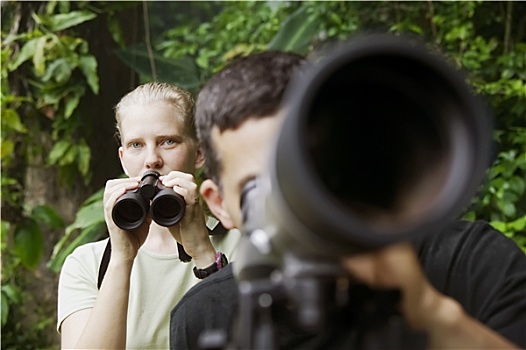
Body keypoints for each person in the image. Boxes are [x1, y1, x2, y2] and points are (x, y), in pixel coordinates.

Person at [169, 51, 526, 349]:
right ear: (220, 203)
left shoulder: (469, 262)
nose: (299, 206)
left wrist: (429, 312)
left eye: (310, 172)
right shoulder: (204, 316)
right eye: (264, 188)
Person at [57, 82, 241, 349]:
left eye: (168, 141)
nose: (151, 160)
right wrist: (121, 258)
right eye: (136, 145)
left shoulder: (241, 247)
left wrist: (204, 253)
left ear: (199, 153)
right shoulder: (88, 263)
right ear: (123, 159)